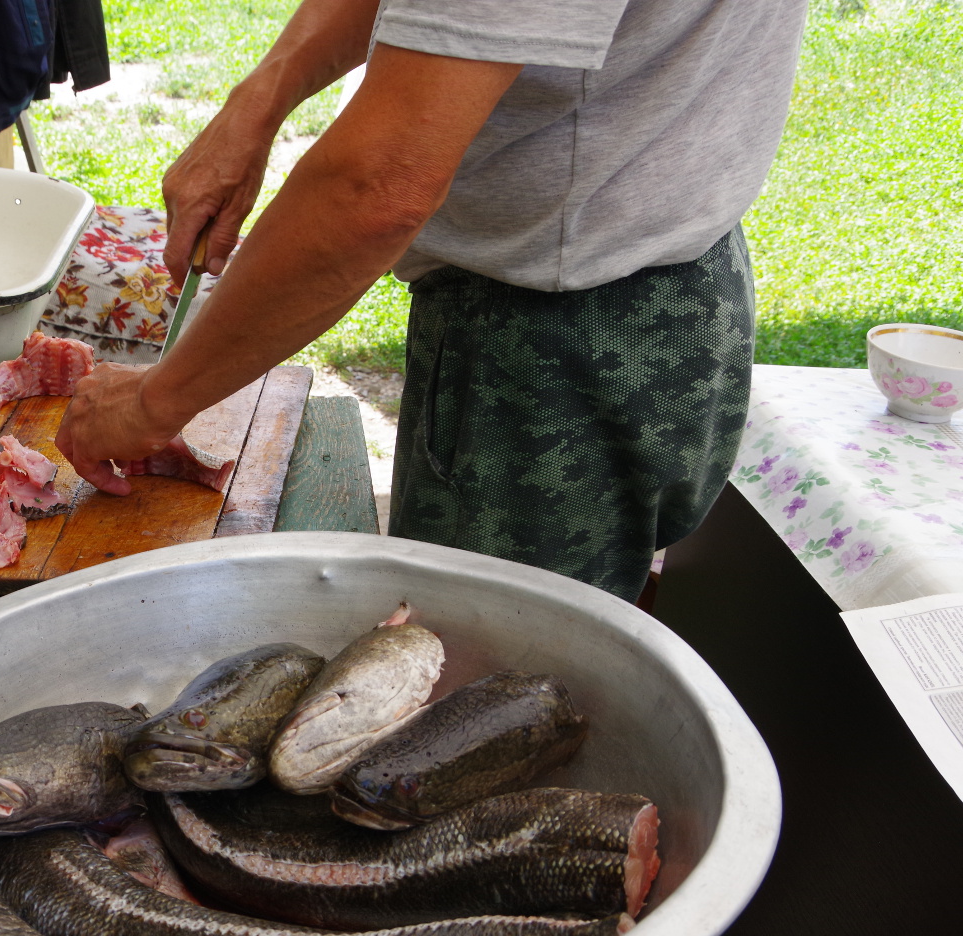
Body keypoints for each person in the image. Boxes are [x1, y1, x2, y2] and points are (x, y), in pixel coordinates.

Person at [53, 0, 808, 601]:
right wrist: (260, 97)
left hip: (553, 352)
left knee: (475, 697)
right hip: (652, 282)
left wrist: (156, 402)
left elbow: (377, 190)